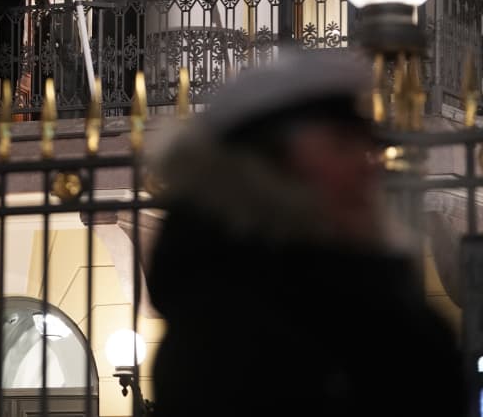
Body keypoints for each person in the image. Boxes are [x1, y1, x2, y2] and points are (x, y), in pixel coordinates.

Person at [146, 52, 464, 417]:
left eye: (366, 147)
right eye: (342, 145)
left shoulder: (356, 285)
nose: (367, 166)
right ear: (269, 168)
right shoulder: (224, 328)